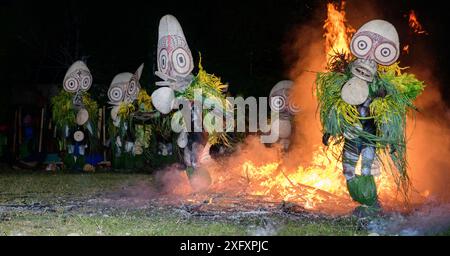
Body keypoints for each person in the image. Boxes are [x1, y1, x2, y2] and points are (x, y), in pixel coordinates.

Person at [316, 20, 425, 212]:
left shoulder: (380, 88)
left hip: (369, 137)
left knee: (367, 169)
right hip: (351, 135)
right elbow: (336, 109)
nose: (365, 66)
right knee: (348, 171)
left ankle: (372, 204)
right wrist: (329, 131)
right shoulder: (345, 86)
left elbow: (390, 115)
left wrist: (391, 139)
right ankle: (362, 197)